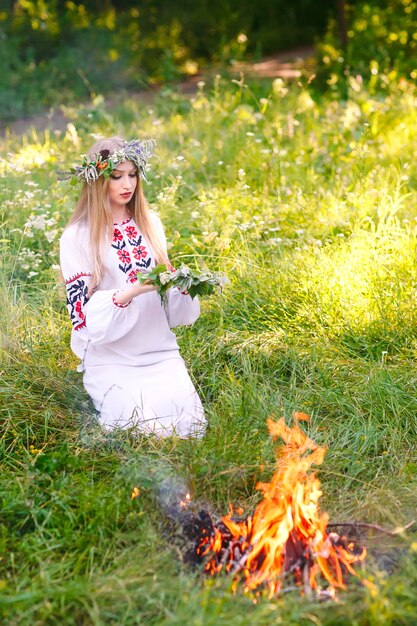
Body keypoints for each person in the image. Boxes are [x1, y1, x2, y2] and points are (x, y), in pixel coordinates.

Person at [59, 136, 206, 437]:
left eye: (133, 175)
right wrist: (132, 290)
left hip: (159, 352)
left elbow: (169, 304)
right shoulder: (77, 236)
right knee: (139, 431)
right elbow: (82, 320)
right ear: (97, 179)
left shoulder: (150, 222)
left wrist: (183, 284)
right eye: (116, 177)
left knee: (190, 429)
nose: (127, 184)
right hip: (112, 358)